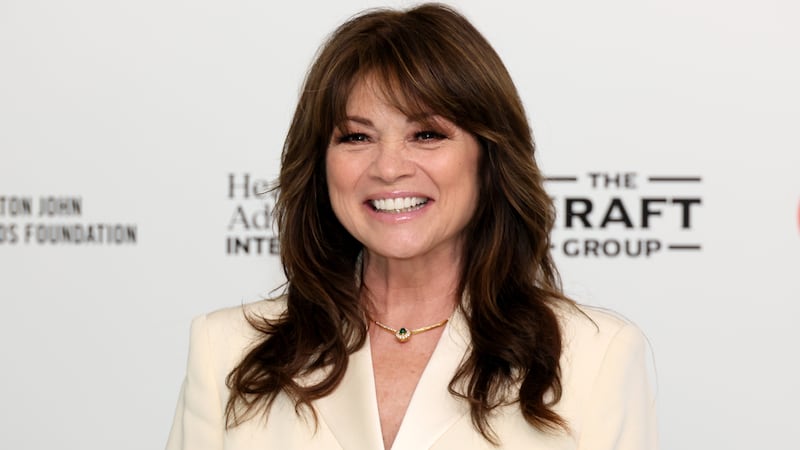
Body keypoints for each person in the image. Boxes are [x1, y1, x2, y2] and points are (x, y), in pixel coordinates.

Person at [166, 4, 658, 449]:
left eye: (426, 134)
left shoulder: (595, 359)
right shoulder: (226, 352)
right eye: (357, 136)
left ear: (489, 158)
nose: (388, 167)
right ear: (321, 164)